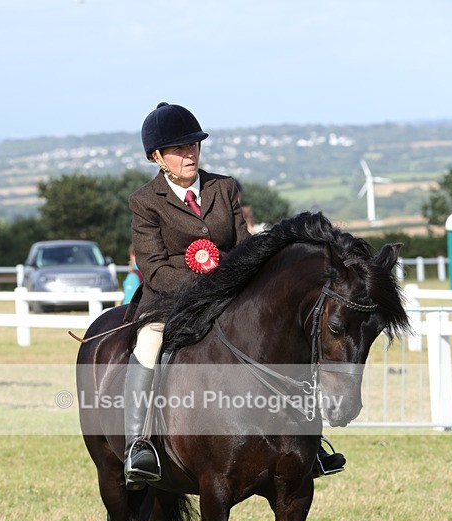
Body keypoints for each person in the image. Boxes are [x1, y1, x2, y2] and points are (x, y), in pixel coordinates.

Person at [124, 101, 345, 489]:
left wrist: (234, 278)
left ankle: (309, 442)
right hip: (168, 299)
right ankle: (138, 445)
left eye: (194, 145)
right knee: (147, 344)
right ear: (157, 158)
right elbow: (154, 267)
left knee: (285, 336)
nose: (189, 153)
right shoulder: (145, 202)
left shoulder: (223, 187)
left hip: (231, 292)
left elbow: (245, 247)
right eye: (179, 149)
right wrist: (205, 285)